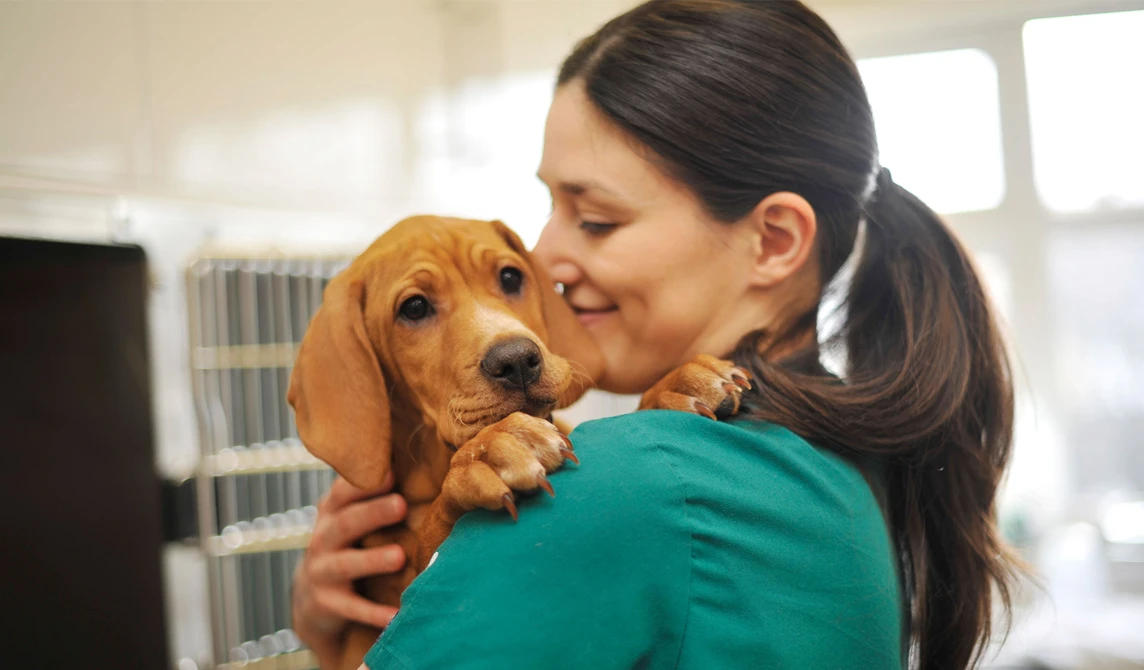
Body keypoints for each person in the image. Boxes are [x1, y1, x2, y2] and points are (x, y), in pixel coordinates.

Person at [292, 1, 1019, 668]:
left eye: (597, 218)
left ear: (772, 240)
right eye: (550, 204)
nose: (544, 260)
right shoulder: (835, 458)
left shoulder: (619, 489)